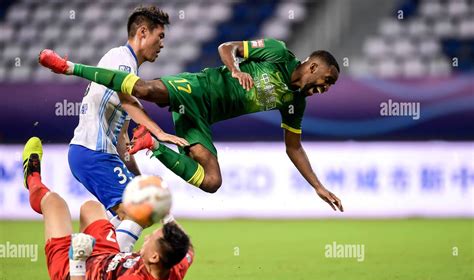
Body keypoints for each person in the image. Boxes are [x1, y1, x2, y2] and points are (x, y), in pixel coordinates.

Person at [39, 38, 344, 212]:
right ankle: (70, 67)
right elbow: (228, 47)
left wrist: (319, 186)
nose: (326, 88)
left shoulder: (295, 104)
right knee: (142, 89)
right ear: (313, 66)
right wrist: (235, 70)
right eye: (326, 81)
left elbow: (294, 147)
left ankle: (153, 145)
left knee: (212, 181)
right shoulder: (277, 52)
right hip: (196, 88)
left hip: (198, 118)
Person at [66, 5, 189, 252]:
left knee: (133, 211)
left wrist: (136, 177)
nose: (162, 44)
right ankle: (110, 274)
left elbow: (122, 136)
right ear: (143, 32)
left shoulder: (126, 64)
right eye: (160, 36)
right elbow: (126, 99)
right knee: (137, 211)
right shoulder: (121, 59)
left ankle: (85, 256)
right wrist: (158, 132)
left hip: (95, 153)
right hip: (93, 152)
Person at [22, 136, 193, 280]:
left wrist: (77, 260)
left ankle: (32, 178)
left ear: (155, 257)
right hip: (107, 255)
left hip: (76, 276)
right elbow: (188, 247)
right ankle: (117, 229)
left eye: (152, 239)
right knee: (91, 207)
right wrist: (164, 212)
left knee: (53, 202)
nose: (148, 236)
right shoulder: (178, 260)